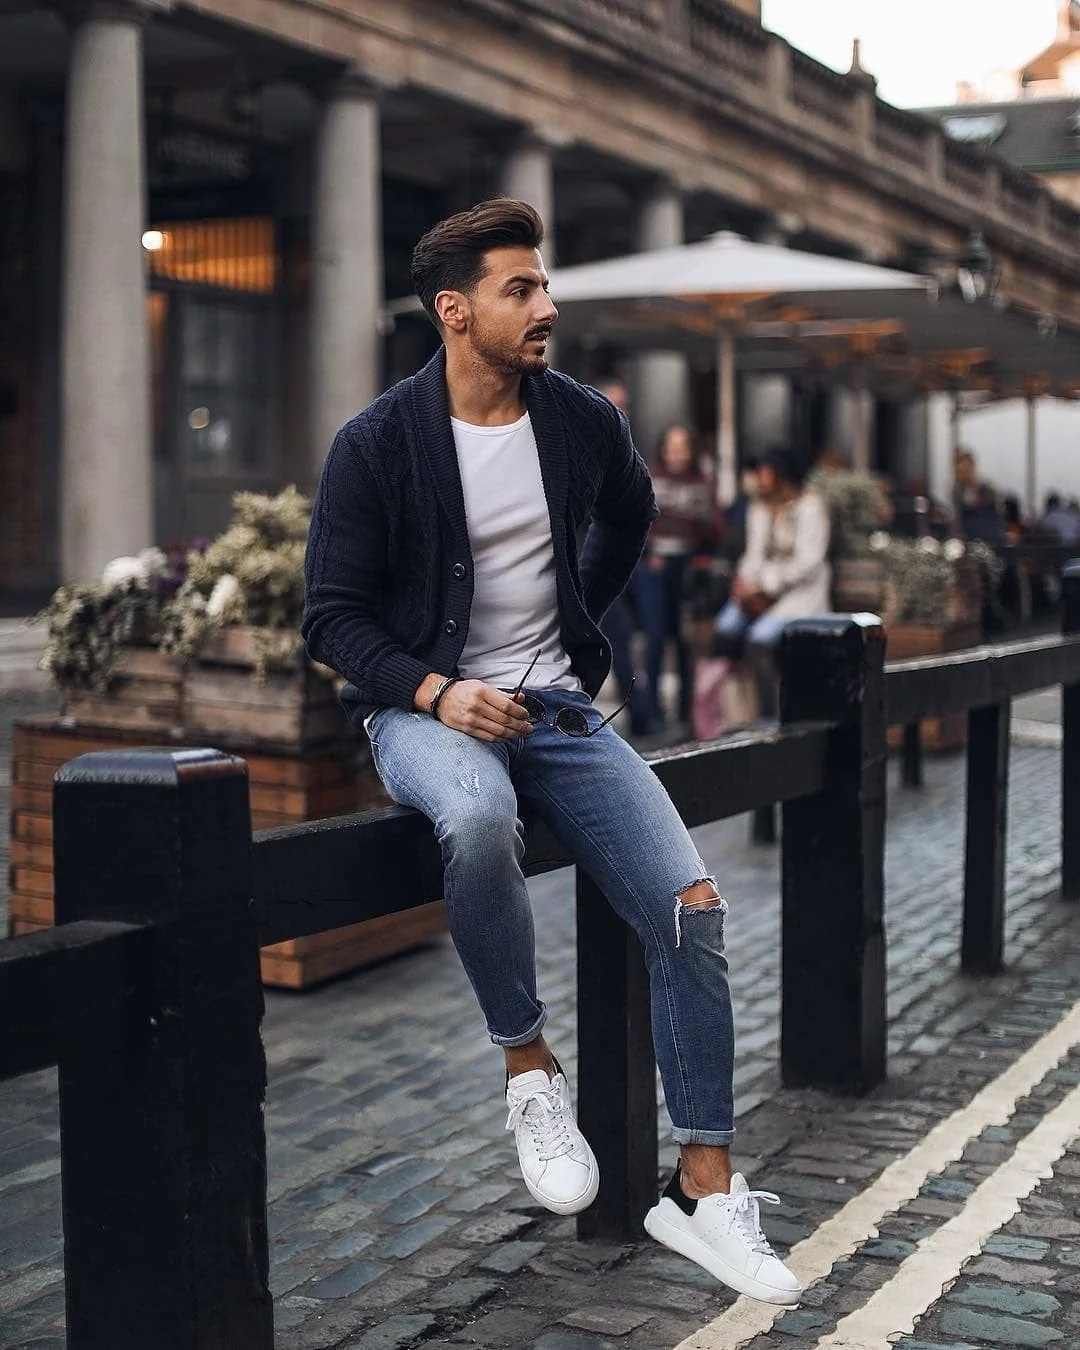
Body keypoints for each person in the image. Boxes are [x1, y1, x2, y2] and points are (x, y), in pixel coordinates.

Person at [302, 199, 802, 1306]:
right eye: (521, 289)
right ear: (454, 309)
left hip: (560, 710)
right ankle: (529, 1069)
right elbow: (330, 621)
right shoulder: (377, 444)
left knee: (692, 907)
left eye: (544, 285)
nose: (548, 306)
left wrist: (583, 613)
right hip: (425, 717)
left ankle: (706, 1186)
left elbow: (629, 514)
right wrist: (437, 688)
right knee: (478, 822)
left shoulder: (581, 421)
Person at [713, 445, 831, 713]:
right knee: (725, 627)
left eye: (765, 472)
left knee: (761, 638)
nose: (759, 478)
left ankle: (771, 713)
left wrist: (764, 585)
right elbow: (754, 553)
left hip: (799, 595)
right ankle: (736, 709)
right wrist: (745, 583)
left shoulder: (810, 507)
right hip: (758, 592)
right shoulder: (760, 506)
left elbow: (808, 564)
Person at [632, 424, 721, 731]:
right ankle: (653, 712)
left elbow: (715, 529)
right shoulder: (649, 475)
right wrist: (647, 553)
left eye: (682, 446)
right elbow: (633, 519)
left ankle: (687, 712)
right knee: (654, 638)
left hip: (688, 566)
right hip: (654, 565)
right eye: (671, 446)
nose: (677, 453)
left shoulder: (703, 482)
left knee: (685, 641)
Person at [595, 381, 657, 737]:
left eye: (623, 405)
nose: (619, 411)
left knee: (637, 637)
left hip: (635, 561)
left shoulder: (631, 447)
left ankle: (644, 713)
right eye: (612, 404)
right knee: (614, 637)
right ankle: (642, 712)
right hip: (595, 560)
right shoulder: (587, 448)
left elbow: (638, 509)